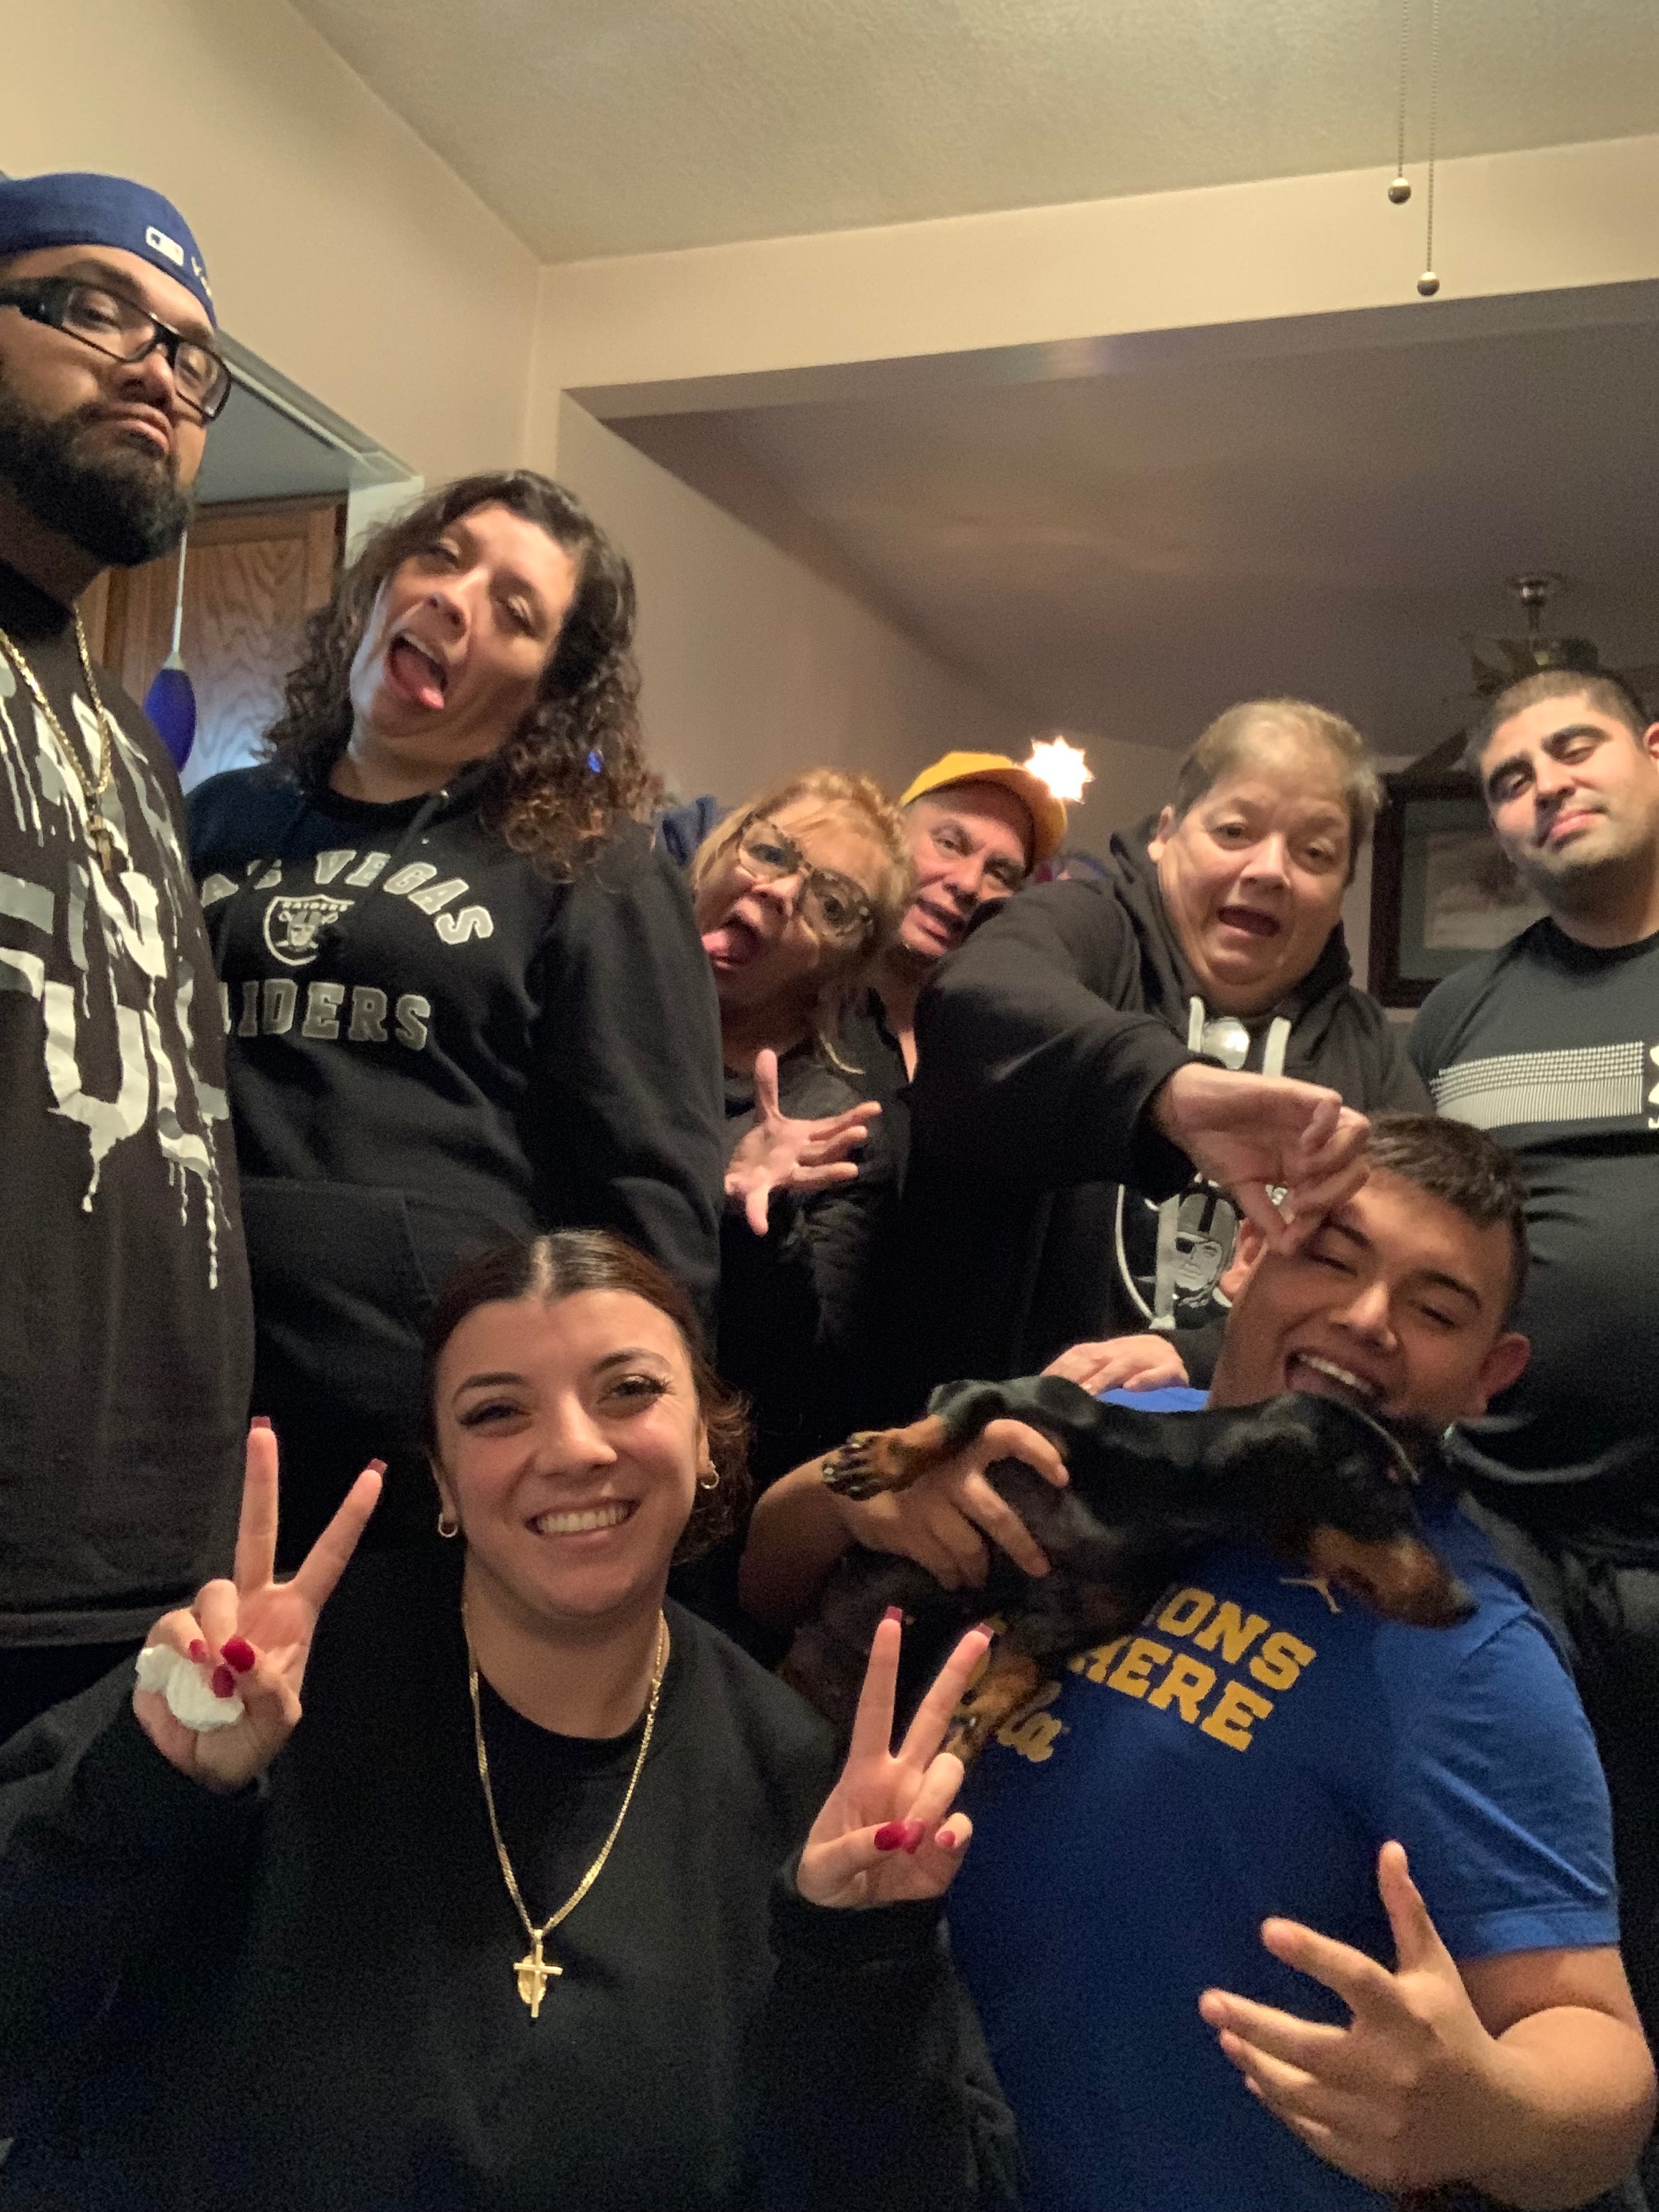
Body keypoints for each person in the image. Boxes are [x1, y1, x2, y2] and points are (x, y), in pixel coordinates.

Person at [0, 1228, 1017, 2209]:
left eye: (629, 1391)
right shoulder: (258, 1689)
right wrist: (148, 1792)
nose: (572, 1448)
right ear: (444, 1482)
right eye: (497, 1412)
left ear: (706, 1444)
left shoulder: (800, 1788)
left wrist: (862, 1969)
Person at [744, 1115, 1652, 2211]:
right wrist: (863, 1502)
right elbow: (768, 1582)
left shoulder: (1461, 1642)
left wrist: (1491, 2111)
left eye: (1437, 1309)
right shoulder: (1099, 1422)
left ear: (1488, 1377)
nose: (1368, 1319)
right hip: (896, 2140)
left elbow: (1600, 2052)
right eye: (1332, 1256)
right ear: (1247, 1252)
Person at [188, 470, 723, 1564]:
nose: (452, 596)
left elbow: (650, 1196)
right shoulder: (213, 817)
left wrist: (625, 1434)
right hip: (169, 1385)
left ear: (548, 692)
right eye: (440, 556)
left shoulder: (593, 866)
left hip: (412, 1442)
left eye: (514, 609)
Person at [0, 172, 252, 1741]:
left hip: (141, 1559)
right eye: (93, 307)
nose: (156, 368)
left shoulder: (127, 739)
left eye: (192, 353)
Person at [1410, 666, 1659, 2178]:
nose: (1544, 785)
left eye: (1573, 747)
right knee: (1552, 1921)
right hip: (1513, 1542)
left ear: (1651, 751)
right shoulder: (1460, 1014)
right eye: (1508, 777)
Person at [894, 698, 1422, 1408]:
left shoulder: (1368, 1048)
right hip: (1001, 1444)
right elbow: (975, 997)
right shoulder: (1086, 926)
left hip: (1247, 1461)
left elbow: (1413, 1259)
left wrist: (1201, 1351)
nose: (1270, 869)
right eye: (1235, 831)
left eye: (1315, 853)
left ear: (1341, 890)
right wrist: (1166, 1093)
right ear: (1166, 835)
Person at [678, 773, 912, 1646]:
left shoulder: (831, 1123)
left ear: (840, 963)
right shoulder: (580, 1003)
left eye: (831, 903)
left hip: (685, 1525)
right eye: (772, 851)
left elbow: (802, 1385)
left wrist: (752, 1217)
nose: (779, 891)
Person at [837, 750, 1067, 1183]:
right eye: (949, 844)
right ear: (891, 838)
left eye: (1000, 873)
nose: (968, 883)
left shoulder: (992, 1058)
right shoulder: (793, 996)